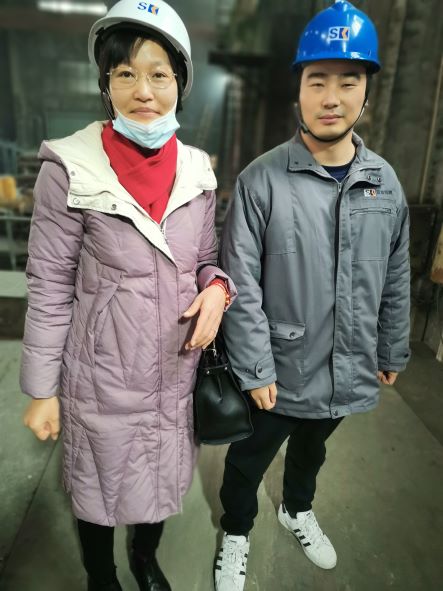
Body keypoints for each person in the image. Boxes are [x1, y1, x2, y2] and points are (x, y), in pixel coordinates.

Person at [20, 1, 235, 590]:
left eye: (159, 74)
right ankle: (101, 576)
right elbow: (50, 285)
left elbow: (206, 259)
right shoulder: (71, 169)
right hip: (101, 377)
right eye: (125, 73)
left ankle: (144, 558)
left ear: (180, 83)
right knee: (96, 488)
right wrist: (41, 389)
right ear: (106, 83)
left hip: (174, 370)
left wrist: (218, 289)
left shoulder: (198, 172)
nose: (143, 90)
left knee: (160, 482)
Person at [214, 2, 410, 590]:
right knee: (248, 459)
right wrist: (254, 368)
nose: (332, 97)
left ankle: (296, 509)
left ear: (366, 92)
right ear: (297, 90)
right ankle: (236, 531)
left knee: (312, 450)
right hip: (277, 370)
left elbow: (396, 272)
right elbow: (240, 283)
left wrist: (391, 348)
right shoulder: (261, 181)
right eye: (317, 81)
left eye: (348, 82)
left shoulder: (384, 183)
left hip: (347, 364)